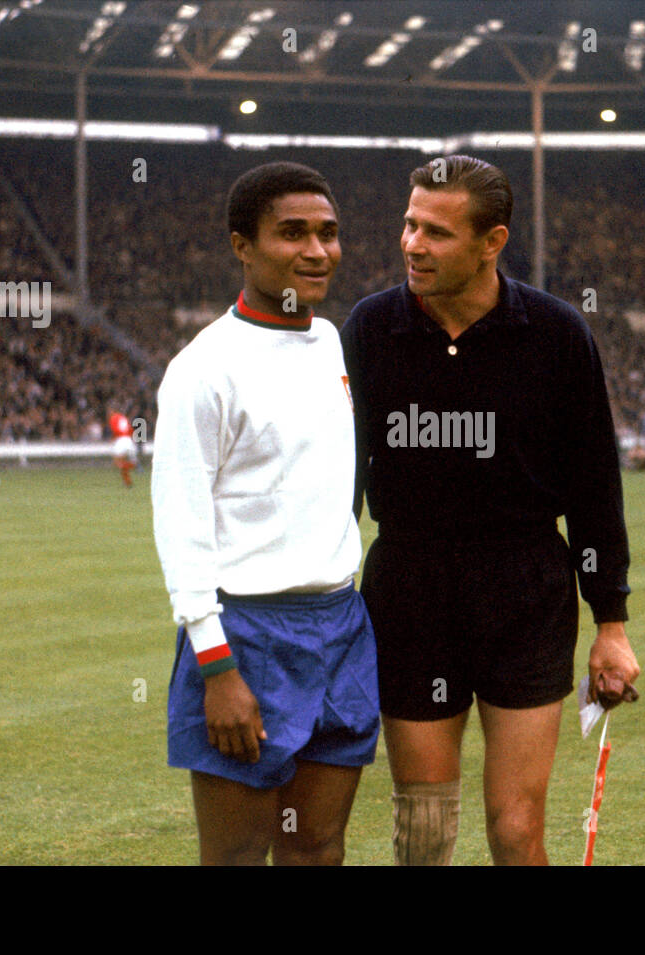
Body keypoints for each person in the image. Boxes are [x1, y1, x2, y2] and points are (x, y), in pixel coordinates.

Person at [341, 155, 640, 867]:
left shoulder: (558, 333)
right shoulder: (369, 327)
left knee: (516, 828)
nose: (413, 243)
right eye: (409, 224)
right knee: (423, 831)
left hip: (526, 588)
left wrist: (613, 624)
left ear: (491, 241)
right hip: (409, 585)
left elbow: (596, 484)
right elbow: (340, 478)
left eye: (437, 232)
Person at [151, 162, 378, 866]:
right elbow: (180, 519)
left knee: (317, 849)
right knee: (241, 855)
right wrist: (216, 666)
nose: (317, 251)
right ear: (241, 245)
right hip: (245, 634)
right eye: (293, 233)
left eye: (329, 233)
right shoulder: (204, 368)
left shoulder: (332, 342)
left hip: (340, 625)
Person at [108, 406, 136, 487]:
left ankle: (128, 468)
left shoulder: (113, 418)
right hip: (129, 439)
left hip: (121, 440)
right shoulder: (124, 418)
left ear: (112, 411)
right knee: (124, 462)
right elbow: (130, 429)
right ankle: (127, 482)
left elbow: (115, 430)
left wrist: (113, 439)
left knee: (117, 462)